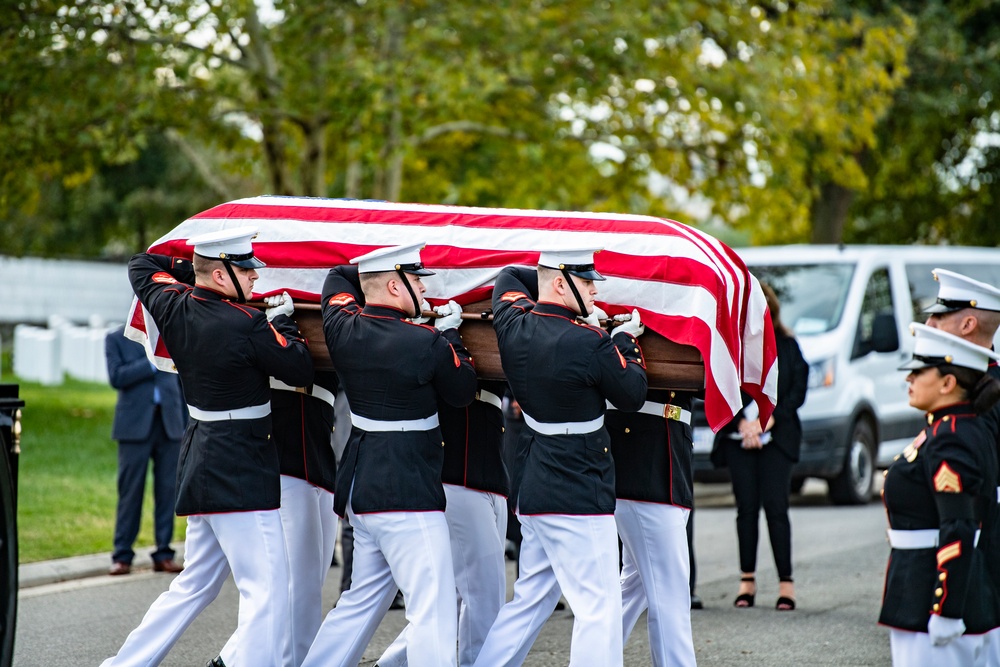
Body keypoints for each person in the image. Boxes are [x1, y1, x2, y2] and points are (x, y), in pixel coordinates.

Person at [101, 227, 314, 667]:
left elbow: (142, 264)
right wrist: (284, 323)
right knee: (267, 589)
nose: (256, 279)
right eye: (245, 271)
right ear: (221, 276)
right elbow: (298, 366)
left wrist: (193, 268)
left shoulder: (173, 305)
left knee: (194, 583)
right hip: (241, 468)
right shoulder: (248, 324)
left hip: (201, 458)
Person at [300, 243, 477, 667]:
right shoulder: (426, 342)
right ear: (396, 286)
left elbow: (338, 280)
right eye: (417, 281)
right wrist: (451, 335)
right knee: (431, 609)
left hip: (362, 486)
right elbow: (463, 390)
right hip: (406, 490)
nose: (424, 291)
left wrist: (368, 270)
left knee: (359, 603)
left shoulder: (342, 326)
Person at [471, 249, 648, 667]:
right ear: (559, 284)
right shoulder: (590, 343)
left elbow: (510, 276)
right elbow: (633, 393)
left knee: (531, 599)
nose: (593, 289)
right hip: (579, 488)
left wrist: (548, 275)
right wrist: (625, 340)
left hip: (535, 483)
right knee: (599, 607)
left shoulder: (513, 325)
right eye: (586, 282)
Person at [880, 322, 1000, 666]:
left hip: (926, 593)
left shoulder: (952, 435)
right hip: (931, 587)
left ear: (948, 383)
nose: (909, 380)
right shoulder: (955, 425)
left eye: (919, 372)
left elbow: (960, 525)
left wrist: (945, 608)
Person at [376, 376, 509, 667]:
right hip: (457, 471)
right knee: (483, 592)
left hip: (489, 469)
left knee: (457, 594)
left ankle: (393, 664)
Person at [211, 371, 340, 667]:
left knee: (309, 583)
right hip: (284, 458)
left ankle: (232, 658)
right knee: (296, 585)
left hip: (319, 458)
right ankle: (242, 660)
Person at [711, 281, 808, 611]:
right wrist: (742, 423)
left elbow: (797, 391)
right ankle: (747, 580)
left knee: (776, 509)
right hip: (740, 440)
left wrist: (768, 420)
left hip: (776, 439)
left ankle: (786, 583)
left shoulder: (789, 346)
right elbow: (719, 384)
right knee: (746, 509)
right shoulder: (732, 345)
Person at [922, 268, 1000, 666]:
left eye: (938, 316)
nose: (929, 324)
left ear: (969, 323)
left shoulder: (978, 397)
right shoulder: (972, 386)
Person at [605, 385, 698, 667]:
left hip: (670, 461)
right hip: (643, 465)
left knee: (634, 587)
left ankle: (593, 657)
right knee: (671, 596)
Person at [104, 324, 187, 576]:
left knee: (167, 491)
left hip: (170, 425)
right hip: (133, 427)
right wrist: (152, 362)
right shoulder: (116, 338)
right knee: (130, 491)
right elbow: (117, 377)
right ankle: (122, 555)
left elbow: (183, 384)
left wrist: (186, 424)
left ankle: (163, 552)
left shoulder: (172, 336)